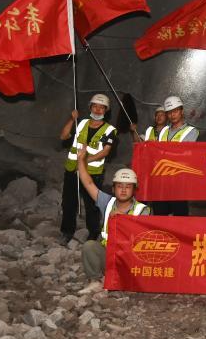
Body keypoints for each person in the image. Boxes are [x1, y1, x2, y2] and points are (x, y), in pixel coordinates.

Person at [75, 147, 150, 279]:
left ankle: (125, 280)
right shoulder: (107, 202)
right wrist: (81, 160)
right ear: (113, 189)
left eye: (128, 187)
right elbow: (89, 183)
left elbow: (144, 241)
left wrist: (123, 221)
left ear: (134, 190)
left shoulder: (142, 210)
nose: (123, 190)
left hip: (130, 261)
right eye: (120, 186)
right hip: (109, 256)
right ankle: (95, 281)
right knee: (89, 246)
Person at [59, 93, 117, 243]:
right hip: (72, 170)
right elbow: (63, 136)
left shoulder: (110, 130)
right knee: (68, 202)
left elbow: (105, 151)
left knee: (92, 204)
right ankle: (67, 232)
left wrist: (84, 162)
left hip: (92, 173)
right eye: (95, 106)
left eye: (101, 107)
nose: (97, 110)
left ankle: (93, 233)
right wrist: (72, 119)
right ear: (90, 107)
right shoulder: (82, 123)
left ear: (106, 110)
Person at [154, 95, 198, 216]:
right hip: (161, 180)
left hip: (179, 180)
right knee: (160, 214)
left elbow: (185, 155)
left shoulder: (191, 131)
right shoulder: (163, 131)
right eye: (169, 112)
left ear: (182, 111)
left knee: (179, 215)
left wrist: (164, 155)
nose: (172, 115)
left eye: (176, 111)